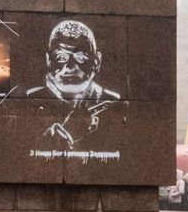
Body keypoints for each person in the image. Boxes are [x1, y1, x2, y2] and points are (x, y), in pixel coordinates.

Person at [30, 21, 121, 149]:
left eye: (81, 58)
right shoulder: (29, 101)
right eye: (61, 57)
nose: (70, 67)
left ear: (97, 62)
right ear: (48, 61)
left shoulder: (115, 104)